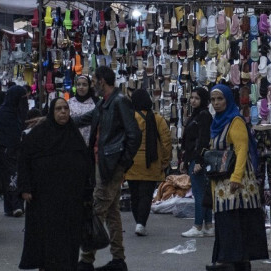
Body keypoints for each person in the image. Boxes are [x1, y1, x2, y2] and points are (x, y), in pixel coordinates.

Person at [74, 66, 141, 271]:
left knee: (98, 209)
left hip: (111, 165)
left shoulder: (120, 102)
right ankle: (118, 258)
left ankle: (86, 260)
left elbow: (134, 135)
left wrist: (123, 162)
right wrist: (56, 120)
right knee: (112, 212)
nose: (93, 85)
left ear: (102, 81)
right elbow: (86, 119)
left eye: (94, 81)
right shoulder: (104, 103)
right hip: (102, 163)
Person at [18, 98, 92, 271]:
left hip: (70, 199)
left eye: (66, 108)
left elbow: (85, 162)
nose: (63, 112)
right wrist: (25, 188)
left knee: (69, 238)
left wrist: (87, 190)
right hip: (44, 199)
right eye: (59, 109)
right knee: (48, 238)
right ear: (52, 112)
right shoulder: (39, 134)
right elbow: (24, 160)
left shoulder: (73, 134)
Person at [206, 85, 268, 271]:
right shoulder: (217, 122)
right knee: (227, 220)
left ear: (228, 100)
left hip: (237, 182)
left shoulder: (235, 121)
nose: (216, 103)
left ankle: (229, 260)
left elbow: (242, 150)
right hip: (220, 181)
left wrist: (236, 177)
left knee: (234, 219)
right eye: (213, 100)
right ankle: (236, 261)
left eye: (220, 99)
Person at [125, 89, 172, 236]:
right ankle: (141, 223)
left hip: (131, 163)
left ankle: (138, 221)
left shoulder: (129, 118)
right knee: (145, 195)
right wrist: (165, 160)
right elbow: (166, 142)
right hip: (151, 162)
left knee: (134, 195)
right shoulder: (157, 119)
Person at [180, 87, 214, 238]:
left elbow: (203, 139)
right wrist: (184, 160)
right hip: (193, 158)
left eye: (197, 98)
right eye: (192, 98)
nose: (193, 101)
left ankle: (198, 226)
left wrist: (199, 160)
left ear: (203, 100)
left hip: (199, 159)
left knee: (199, 193)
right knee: (203, 192)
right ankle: (208, 225)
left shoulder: (204, 116)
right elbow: (189, 140)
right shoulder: (195, 115)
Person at [0, 85, 28, 217]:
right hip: (7, 150)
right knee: (12, 177)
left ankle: (12, 206)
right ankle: (15, 206)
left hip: (14, 149)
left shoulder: (13, 111)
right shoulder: (4, 113)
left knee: (13, 176)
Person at [68, 75, 98, 146]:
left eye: (84, 85)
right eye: (78, 84)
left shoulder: (96, 103)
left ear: (89, 86)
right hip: (73, 144)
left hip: (91, 144)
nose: (81, 87)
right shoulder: (69, 103)